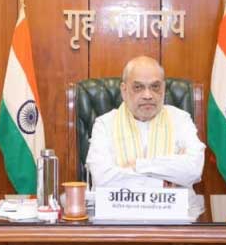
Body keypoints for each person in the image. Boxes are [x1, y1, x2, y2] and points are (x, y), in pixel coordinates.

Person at [86, 56, 205, 189]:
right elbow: (102, 179)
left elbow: (194, 169)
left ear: (163, 88)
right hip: (122, 203)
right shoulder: (105, 124)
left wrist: (138, 165)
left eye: (155, 87)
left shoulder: (180, 119)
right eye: (138, 87)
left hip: (176, 203)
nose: (148, 95)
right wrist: (165, 181)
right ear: (124, 91)